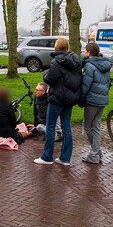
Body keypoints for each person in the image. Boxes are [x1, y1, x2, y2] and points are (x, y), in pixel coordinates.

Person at [34, 38, 82, 166]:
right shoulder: (77, 61)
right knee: (67, 127)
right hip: (70, 98)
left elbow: (50, 78)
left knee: (50, 126)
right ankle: (65, 158)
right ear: (67, 47)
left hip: (57, 98)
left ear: (56, 48)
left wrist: (45, 73)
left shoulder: (57, 61)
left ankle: (47, 156)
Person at [80, 42, 112, 164]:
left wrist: (81, 99)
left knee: (87, 126)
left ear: (88, 52)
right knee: (97, 126)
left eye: (85, 51)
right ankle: (97, 153)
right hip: (102, 100)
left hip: (92, 100)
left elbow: (85, 85)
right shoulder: (105, 64)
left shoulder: (89, 66)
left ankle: (94, 154)